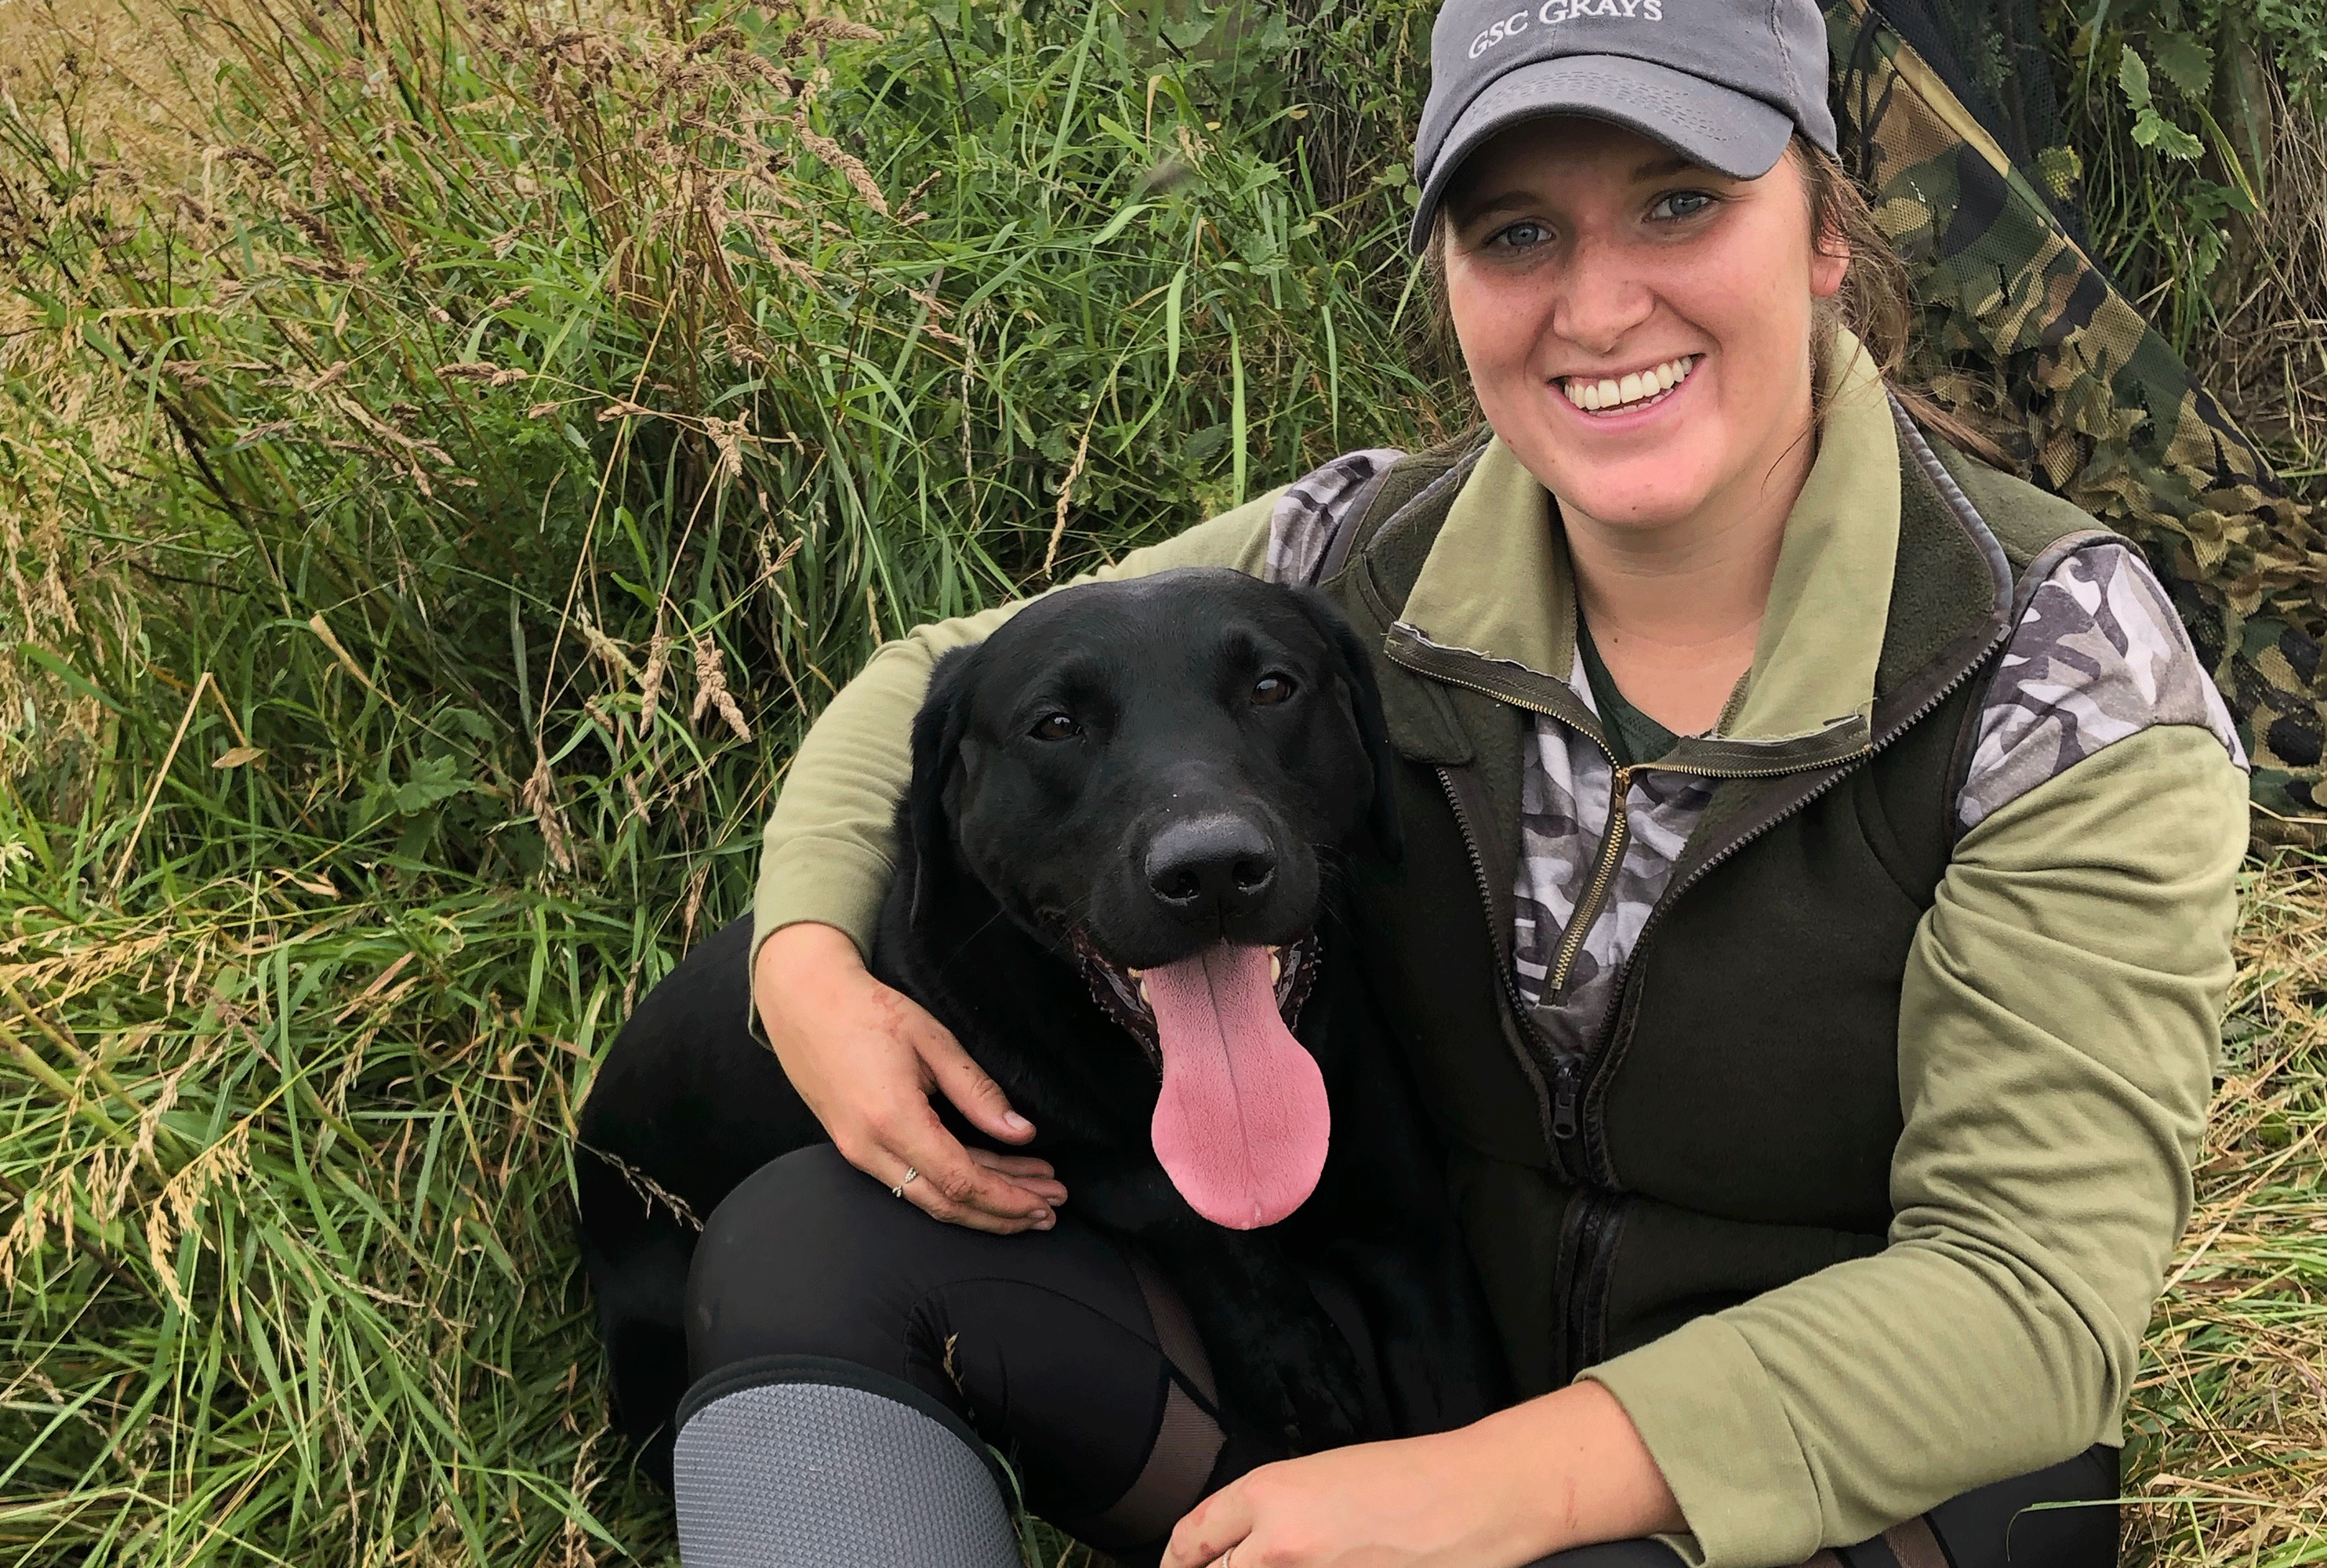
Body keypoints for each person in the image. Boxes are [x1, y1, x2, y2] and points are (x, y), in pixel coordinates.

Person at [650, 0, 2250, 1563]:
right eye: (1516, 234)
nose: (1600, 306)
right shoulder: (1365, 560)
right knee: (807, 1243)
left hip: (1839, 1448)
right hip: (1441, 1370)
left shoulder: (2053, 670)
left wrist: (1494, 1488)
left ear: (1827, 231)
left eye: (1679, 202)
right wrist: (807, 967)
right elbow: (934, 677)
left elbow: (2030, 1304)